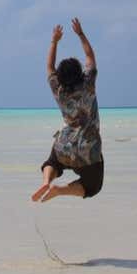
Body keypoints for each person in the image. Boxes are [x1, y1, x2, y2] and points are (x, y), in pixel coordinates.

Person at [31, 17, 104, 202]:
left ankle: (47, 180)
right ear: (80, 73)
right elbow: (90, 57)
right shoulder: (88, 85)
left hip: (64, 146)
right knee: (93, 186)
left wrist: (54, 41)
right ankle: (59, 190)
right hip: (88, 151)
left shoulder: (58, 90)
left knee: (52, 162)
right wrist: (80, 34)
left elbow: (49, 67)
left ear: (60, 77)